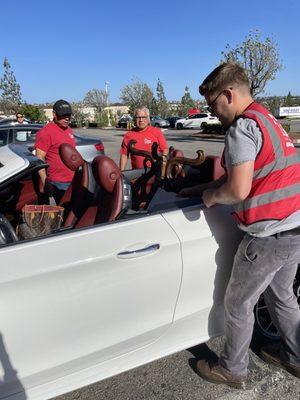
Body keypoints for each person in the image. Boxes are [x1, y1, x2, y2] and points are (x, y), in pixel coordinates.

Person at [180, 62, 300, 388]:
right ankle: (295, 356)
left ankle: (233, 368)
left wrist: (209, 197)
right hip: (293, 228)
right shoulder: (269, 120)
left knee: (237, 304)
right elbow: (258, 172)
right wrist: (198, 188)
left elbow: (237, 190)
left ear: (229, 95)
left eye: (212, 104)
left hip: (267, 235)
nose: (212, 111)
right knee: (282, 297)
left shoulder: (241, 129)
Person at [35, 99, 76, 204]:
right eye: (63, 115)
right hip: (58, 183)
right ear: (54, 114)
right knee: (63, 212)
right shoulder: (46, 132)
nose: (67, 118)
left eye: (69, 115)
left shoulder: (69, 130)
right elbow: (39, 159)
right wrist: (45, 181)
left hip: (73, 179)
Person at [119, 106, 168, 171]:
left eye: (143, 117)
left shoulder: (156, 132)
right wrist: (121, 173)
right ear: (135, 119)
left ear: (148, 118)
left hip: (155, 173)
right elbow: (124, 155)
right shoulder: (129, 135)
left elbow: (165, 150)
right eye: (138, 117)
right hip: (137, 175)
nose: (141, 120)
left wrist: (162, 168)